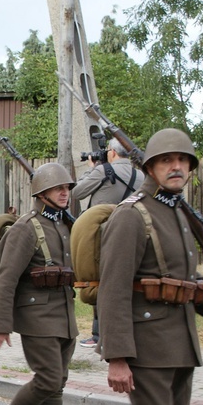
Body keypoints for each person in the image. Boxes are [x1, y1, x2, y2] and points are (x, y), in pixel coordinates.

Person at [97, 128, 203, 405]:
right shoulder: (132, 215)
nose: (176, 166)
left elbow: (183, 277)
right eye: (166, 160)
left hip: (181, 343)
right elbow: (113, 289)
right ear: (150, 168)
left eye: (182, 160)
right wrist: (117, 357)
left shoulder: (179, 212)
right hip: (147, 348)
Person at [0, 162, 78, 405]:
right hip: (37, 317)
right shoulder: (26, 228)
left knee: (58, 383)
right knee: (49, 379)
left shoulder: (65, 225)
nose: (65, 193)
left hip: (65, 316)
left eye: (67, 188)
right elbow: (6, 278)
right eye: (58, 188)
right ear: (42, 193)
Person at [71, 138, 144, 348]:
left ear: (112, 152)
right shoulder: (141, 175)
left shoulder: (104, 170)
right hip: (132, 234)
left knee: (99, 283)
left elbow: (77, 192)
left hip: (103, 234)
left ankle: (99, 334)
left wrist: (92, 168)